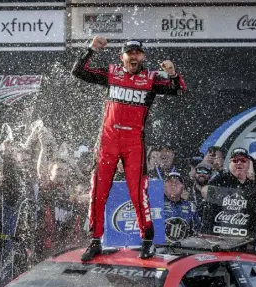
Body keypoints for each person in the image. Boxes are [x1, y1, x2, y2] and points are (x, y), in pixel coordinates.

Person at [71, 36, 186, 260]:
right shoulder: (112, 73)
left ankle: (147, 241)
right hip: (107, 142)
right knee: (98, 191)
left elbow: (179, 90)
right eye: (129, 53)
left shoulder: (151, 78)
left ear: (143, 56)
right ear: (121, 57)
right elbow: (78, 71)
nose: (133, 56)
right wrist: (91, 48)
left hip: (134, 144)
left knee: (137, 193)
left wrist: (172, 73)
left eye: (137, 53)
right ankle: (95, 241)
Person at [163, 172, 199, 243]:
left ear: (183, 187)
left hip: (183, 247)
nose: (173, 185)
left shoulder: (191, 206)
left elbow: (197, 230)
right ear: (164, 186)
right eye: (170, 182)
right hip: (160, 246)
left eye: (177, 183)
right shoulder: (156, 203)